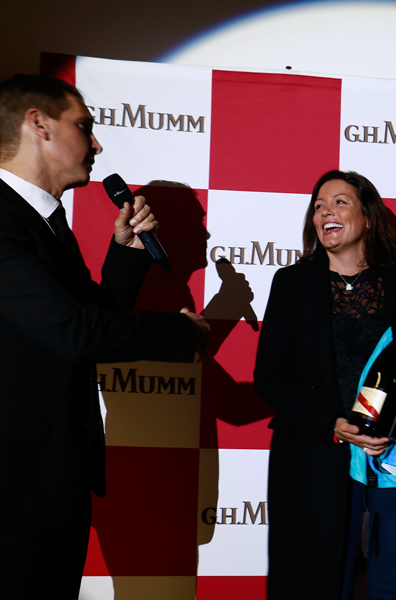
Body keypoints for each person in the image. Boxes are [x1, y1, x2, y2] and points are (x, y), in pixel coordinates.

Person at [0, 74, 209, 599]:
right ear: (38, 124)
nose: (96, 144)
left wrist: (127, 254)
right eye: (84, 127)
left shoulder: (45, 221)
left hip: (54, 482)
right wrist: (179, 332)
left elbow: (86, 319)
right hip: (15, 490)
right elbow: (73, 331)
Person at [254, 170, 396, 600]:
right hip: (318, 455)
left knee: (394, 584)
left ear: (368, 217)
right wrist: (333, 424)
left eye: (339, 202)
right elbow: (270, 377)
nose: (325, 213)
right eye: (318, 206)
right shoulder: (292, 283)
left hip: (393, 453)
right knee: (319, 585)